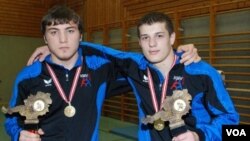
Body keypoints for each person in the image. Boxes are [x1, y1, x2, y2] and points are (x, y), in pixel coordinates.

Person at [4, 6, 200, 141]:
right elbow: (12, 119)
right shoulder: (28, 76)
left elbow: (149, 62)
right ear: (45, 38)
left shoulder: (100, 69)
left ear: (81, 36)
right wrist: (18, 134)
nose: (63, 39)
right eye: (54, 32)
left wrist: (178, 53)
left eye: (70, 31)